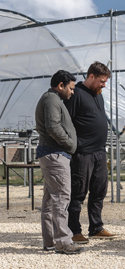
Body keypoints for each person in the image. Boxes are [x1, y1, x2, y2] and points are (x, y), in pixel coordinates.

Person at [64, 61, 116, 244]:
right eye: (102, 81)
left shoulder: (98, 95)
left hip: (99, 152)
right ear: (91, 76)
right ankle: (74, 230)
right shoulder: (76, 94)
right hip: (83, 153)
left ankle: (96, 227)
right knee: (78, 192)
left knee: (99, 191)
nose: (104, 85)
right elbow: (67, 122)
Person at [35, 70, 84, 255]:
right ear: (60, 85)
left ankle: (49, 241)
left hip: (52, 154)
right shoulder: (52, 100)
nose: (72, 92)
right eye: (70, 88)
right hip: (55, 154)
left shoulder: (53, 99)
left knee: (50, 199)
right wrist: (70, 143)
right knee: (61, 198)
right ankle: (63, 241)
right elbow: (52, 126)